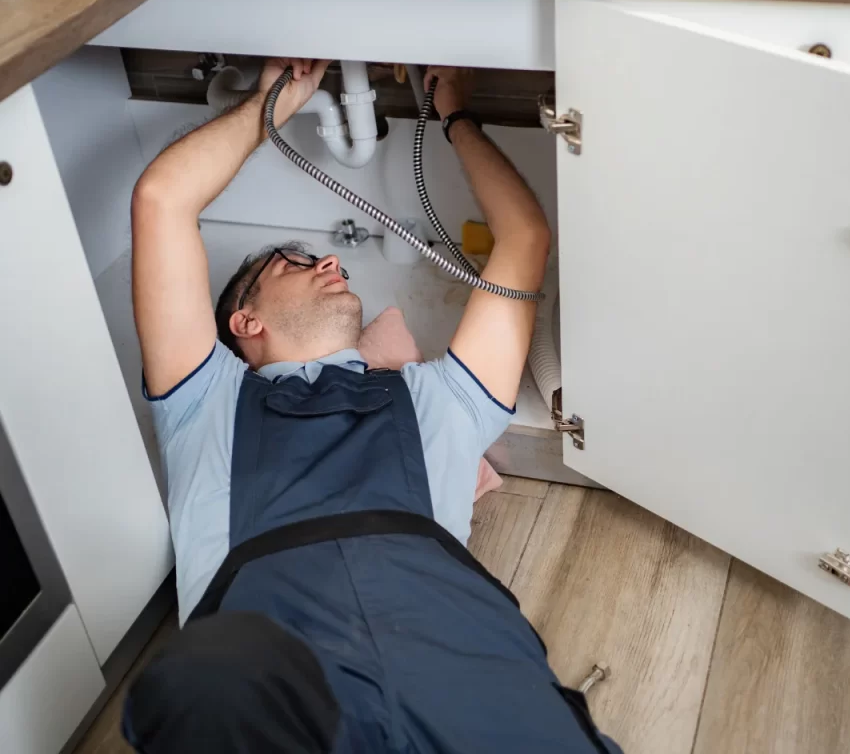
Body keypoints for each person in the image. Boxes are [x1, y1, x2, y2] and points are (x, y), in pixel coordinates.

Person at [120, 57, 622, 753]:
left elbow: (525, 240)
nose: (330, 261)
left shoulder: (438, 394)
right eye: (291, 266)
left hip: (453, 641)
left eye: (320, 260)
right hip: (265, 660)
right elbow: (162, 199)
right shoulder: (202, 396)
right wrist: (270, 104)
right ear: (244, 325)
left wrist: (456, 116)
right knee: (205, 688)